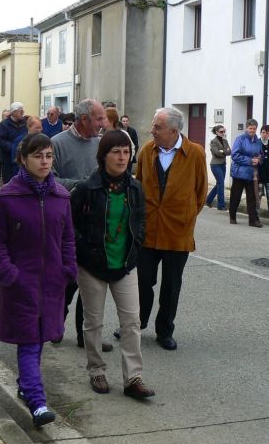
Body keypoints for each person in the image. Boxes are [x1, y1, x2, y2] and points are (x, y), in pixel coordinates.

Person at [0, 133, 77, 427]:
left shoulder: (61, 196)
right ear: (23, 159)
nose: (45, 161)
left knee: (39, 340)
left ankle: (26, 385)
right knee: (29, 343)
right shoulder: (7, 197)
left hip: (51, 284)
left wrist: (68, 270)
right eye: (38, 156)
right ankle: (37, 403)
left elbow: (68, 240)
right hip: (20, 286)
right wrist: (9, 274)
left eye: (49, 156)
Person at [71, 130, 155, 399]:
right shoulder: (86, 189)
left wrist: (136, 248)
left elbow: (140, 222)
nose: (122, 157)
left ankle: (133, 378)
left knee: (131, 321)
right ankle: (96, 370)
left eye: (126, 152)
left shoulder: (134, 187)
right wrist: (84, 253)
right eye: (116, 151)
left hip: (125, 265)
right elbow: (71, 227)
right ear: (103, 155)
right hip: (92, 266)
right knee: (93, 322)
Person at [135, 107, 207, 350]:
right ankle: (138, 323)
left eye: (157, 127)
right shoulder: (146, 151)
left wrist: (184, 216)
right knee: (142, 281)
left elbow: (200, 193)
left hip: (178, 231)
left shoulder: (195, 153)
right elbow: (138, 184)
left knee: (171, 284)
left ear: (173, 131)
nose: (151, 131)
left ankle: (165, 330)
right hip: (148, 229)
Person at [51, 98, 112, 352]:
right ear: (84, 118)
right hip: (68, 224)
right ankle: (54, 325)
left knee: (92, 284)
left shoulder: (99, 145)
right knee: (68, 281)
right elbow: (50, 179)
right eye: (99, 118)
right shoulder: (57, 144)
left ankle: (85, 336)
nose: (103, 123)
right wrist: (79, 187)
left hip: (96, 224)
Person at [229, 119, 263, 227]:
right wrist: (249, 161)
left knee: (252, 197)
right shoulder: (240, 139)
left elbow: (261, 154)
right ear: (246, 128)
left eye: (254, 128)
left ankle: (253, 220)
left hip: (252, 174)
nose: (252, 130)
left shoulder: (258, 141)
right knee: (236, 196)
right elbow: (234, 155)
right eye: (250, 128)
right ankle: (232, 216)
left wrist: (259, 160)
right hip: (239, 172)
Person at [0, 102, 27, 183]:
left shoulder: (25, 123)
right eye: (20, 111)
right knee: (9, 182)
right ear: (13, 112)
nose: (23, 113)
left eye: (23, 110)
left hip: (22, 159)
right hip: (8, 160)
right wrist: (14, 147)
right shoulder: (4, 125)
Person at [205, 125, 230, 211]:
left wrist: (223, 151)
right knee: (221, 183)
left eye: (224, 131)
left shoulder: (225, 141)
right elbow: (216, 153)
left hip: (223, 164)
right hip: (215, 165)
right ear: (216, 132)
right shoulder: (213, 141)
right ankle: (221, 205)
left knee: (219, 183)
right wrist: (224, 151)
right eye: (221, 132)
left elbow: (230, 151)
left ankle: (208, 200)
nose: (223, 133)